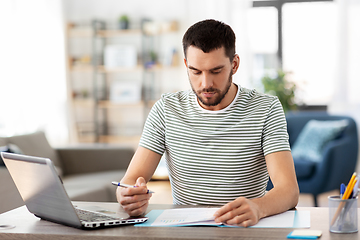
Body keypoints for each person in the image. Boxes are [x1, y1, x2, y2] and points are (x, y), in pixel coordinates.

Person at [116, 19, 299, 227]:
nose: (206, 84)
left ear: (235, 64)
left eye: (216, 71)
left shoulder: (266, 109)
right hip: (186, 230)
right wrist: (128, 195)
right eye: (196, 71)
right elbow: (129, 180)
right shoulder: (166, 110)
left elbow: (289, 191)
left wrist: (259, 207)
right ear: (186, 65)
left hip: (244, 229)